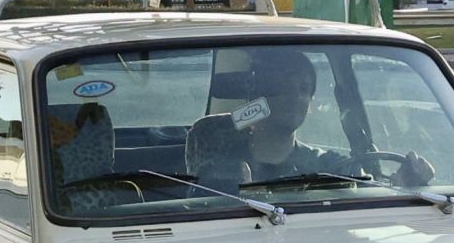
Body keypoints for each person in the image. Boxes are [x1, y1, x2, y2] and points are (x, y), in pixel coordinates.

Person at [186, 47, 434, 190]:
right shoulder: (219, 169)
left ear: (311, 104)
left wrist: (402, 186)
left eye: (304, 89)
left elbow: (369, 217)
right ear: (257, 98)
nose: (295, 97)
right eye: (282, 86)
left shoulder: (334, 169)